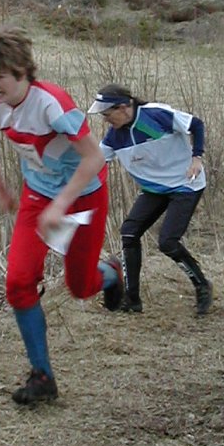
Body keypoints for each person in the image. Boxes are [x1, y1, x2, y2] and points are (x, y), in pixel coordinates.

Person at [0, 27, 123, 405]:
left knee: (79, 287)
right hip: (37, 197)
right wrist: (1, 188)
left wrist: (61, 204)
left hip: (84, 196)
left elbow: (94, 158)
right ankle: (42, 377)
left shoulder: (53, 104)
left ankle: (112, 273)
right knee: (18, 283)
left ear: (21, 71)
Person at [88, 83, 212, 316]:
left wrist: (197, 158)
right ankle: (132, 299)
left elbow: (196, 124)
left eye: (107, 114)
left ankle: (202, 285)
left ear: (123, 107)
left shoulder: (155, 116)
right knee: (129, 233)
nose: (105, 120)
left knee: (168, 242)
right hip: (155, 189)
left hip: (185, 184)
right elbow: (94, 164)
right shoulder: (115, 137)